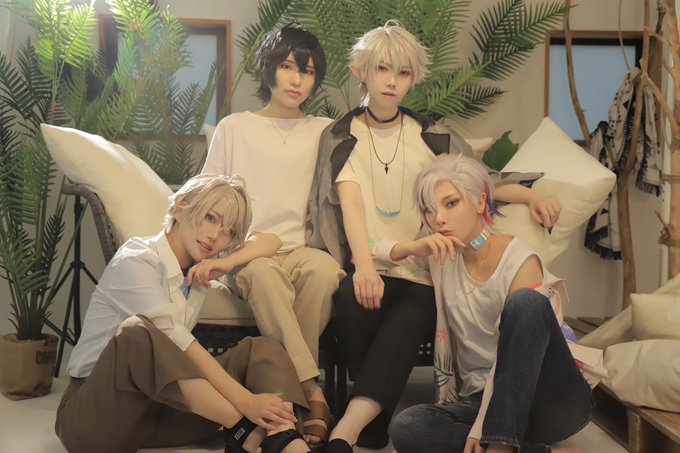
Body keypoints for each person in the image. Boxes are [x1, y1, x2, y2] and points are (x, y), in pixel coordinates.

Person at [304, 21, 562, 452]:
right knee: (351, 298)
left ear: (414, 78)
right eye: (382, 68)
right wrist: (364, 267)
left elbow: (475, 182)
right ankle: (375, 416)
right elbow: (350, 204)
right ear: (360, 71)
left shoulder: (431, 134)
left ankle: (351, 425)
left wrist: (527, 194)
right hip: (370, 261)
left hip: (423, 269)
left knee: (416, 304)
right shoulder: (340, 136)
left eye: (403, 72)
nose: (392, 81)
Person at [55, 174, 312, 453]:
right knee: (138, 332)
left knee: (263, 349)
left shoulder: (200, 269)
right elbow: (175, 340)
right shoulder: (136, 259)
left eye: (227, 231)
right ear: (181, 208)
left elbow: (270, 241)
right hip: (95, 413)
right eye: (210, 218)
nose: (215, 236)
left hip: (155, 413)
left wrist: (227, 263)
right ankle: (243, 429)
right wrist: (245, 402)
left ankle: (283, 437)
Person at [388, 154, 603, 453]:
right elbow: (373, 259)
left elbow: (512, 355)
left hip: (550, 400)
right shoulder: (439, 257)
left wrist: (483, 429)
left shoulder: (520, 260)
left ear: (480, 202)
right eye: (429, 210)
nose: (439, 219)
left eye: (451, 203)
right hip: (481, 399)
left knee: (527, 303)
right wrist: (413, 246)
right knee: (407, 426)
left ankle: (501, 446)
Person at [201, 23, 344, 447]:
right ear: (269, 70)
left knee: (323, 272)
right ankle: (313, 394)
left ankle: (288, 401)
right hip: (247, 252)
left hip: (303, 248)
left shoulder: (326, 130)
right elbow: (208, 193)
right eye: (287, 67)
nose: (297, 80)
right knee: (264, 276)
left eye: (308, 71)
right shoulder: (234, 127)